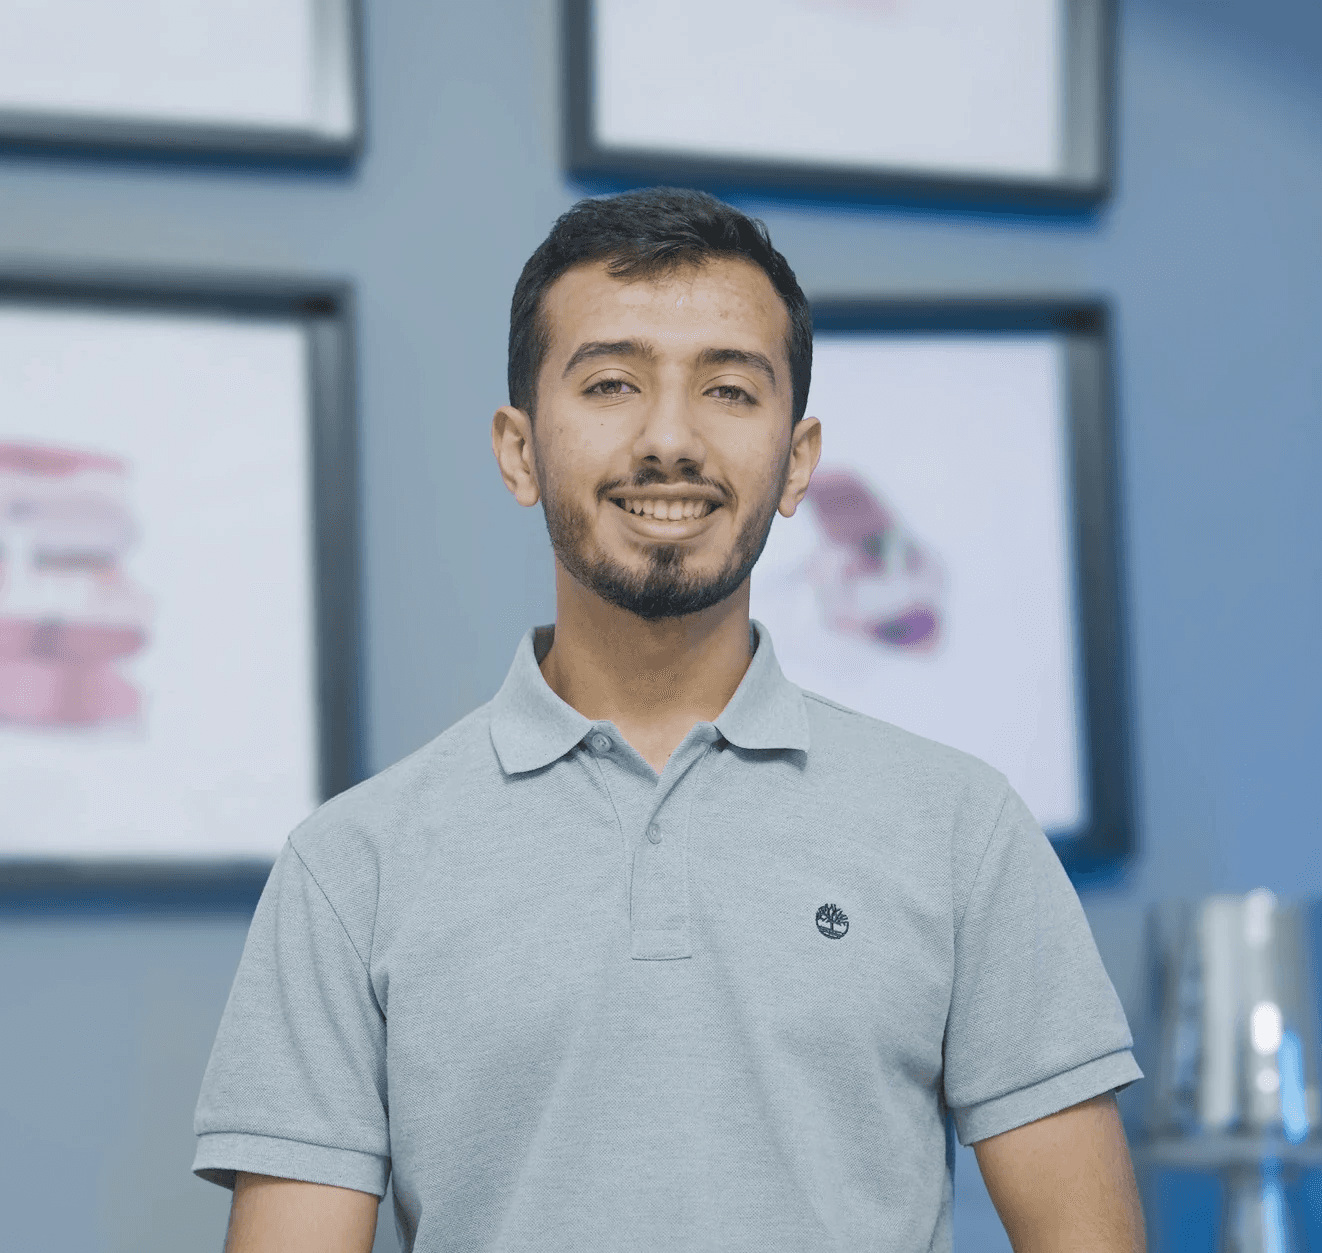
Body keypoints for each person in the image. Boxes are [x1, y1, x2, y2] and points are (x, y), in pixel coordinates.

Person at [195, 187, 1145, 1252]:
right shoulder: (349, 869)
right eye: (609, 383)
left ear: (794, 459)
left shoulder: (959, 826)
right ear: (518, 450)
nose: (668, 439)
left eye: (730, 391)